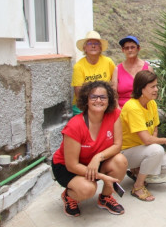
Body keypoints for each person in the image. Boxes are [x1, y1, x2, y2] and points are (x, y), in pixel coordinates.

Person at [52, 81, 127, 217]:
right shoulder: (74, 125)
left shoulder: (114, 114)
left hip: (93, 161)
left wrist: (98, 157)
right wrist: (103, 177)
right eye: (93, 97)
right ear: (86, 100)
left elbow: (117, 145)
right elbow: (72, 165)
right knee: (88, 189)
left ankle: (105, 198)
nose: (98, 100)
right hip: (67, 167)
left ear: (109, 100)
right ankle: (69, 195)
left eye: (103, 97)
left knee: (120, 161)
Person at [120, 70, 166, 201]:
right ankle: (138, 186)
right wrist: (165, 140)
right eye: (152, 86)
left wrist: (155, 139)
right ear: (141, 89)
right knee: (156, 150)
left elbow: (155, 129)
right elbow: (147, 140)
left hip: (144, 150)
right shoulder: (132, 107)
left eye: (156, 86)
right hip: (125, 153)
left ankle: (138, 171)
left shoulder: (151, 103)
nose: (156, 89)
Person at [72, 31, 115, 115]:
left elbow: (114, 83)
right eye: (89, 43)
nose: (93, 45)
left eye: (96, 43)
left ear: (100, 47)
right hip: (84, 104)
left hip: (104, 102)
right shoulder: (79, 66)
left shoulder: (108, 62)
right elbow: (79, 93)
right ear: (85, 48)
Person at [112, 36, 154, 109]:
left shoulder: (148, 68)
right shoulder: (117, 70)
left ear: (138, 48)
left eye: (132, 47)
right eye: (126, 48)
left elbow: (153, 91)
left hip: (143, 109)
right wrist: (118, 110)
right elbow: (113, 94)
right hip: (123, 110)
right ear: (123, 50)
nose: (130, 50)